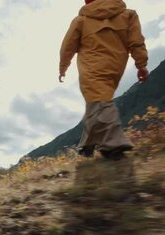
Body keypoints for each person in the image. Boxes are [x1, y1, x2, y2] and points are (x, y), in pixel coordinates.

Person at [59, 0, 149, 160]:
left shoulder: (81, 20)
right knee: (97, 101)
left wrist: (63, 68)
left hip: (91, 67)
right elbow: (136, 42)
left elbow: (68, 46)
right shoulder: (128, 15)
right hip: (115, 67)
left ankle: (113, 145)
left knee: (100, 102)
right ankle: (87, 145)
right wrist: (141, 65)